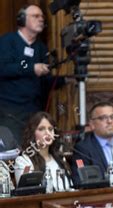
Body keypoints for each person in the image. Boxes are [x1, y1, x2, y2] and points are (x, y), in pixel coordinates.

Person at [0, 4, 66, 143]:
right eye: (36, 16)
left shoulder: (41, 47)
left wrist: (64, 80)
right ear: (22, 19)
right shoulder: (7, 41)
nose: (41, 19)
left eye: (42, 16)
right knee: (13, 150)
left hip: (34, 112)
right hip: (10, 111)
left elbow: (44, 82)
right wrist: (32, 68)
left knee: (32, 150)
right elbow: (3, 68)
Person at [14, 112, 72, 191]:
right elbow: (26, 193)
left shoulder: (60, 158)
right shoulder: (23, 161)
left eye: (50, 129)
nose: (47, 133)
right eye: (41, 129)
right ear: (32, 133)